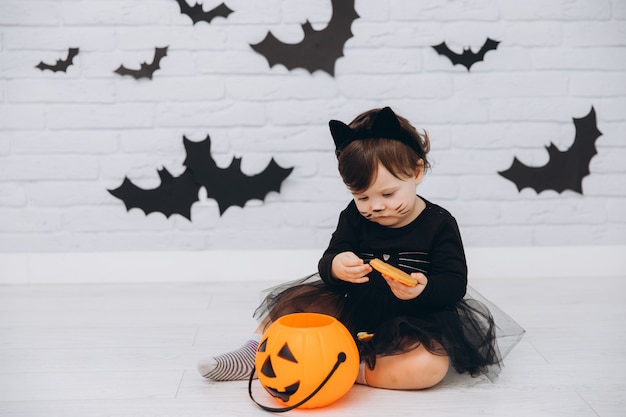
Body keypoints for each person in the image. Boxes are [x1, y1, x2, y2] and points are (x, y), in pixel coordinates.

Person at [198, 106, 523, 389]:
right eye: (362, 197)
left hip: (413, 319)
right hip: (354, 307)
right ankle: (254, 352)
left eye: (388, 194)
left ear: (417, 172)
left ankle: (345, 370)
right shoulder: (354, 216)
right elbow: (329, 259)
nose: (375, 207)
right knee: (293, 304)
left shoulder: (439, 223)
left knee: (428, 367)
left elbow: (454, 283)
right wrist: (337, 265)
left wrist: (424, 289)